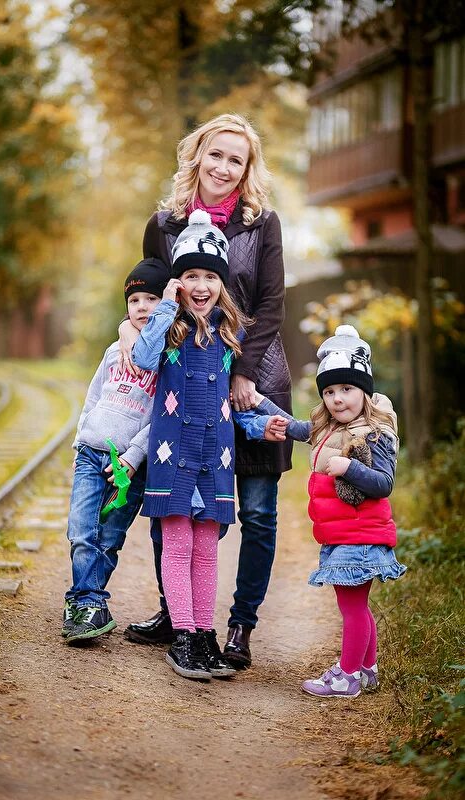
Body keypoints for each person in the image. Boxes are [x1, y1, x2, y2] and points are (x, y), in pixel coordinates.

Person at [122, 113, 292, 668]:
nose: (223, 167)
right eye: (214, 154)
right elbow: (148, 293)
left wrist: (243, 370)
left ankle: (238, 626)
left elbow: (270, 304)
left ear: (248, 169)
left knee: (259, 512)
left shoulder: (261, 223)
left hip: (253, 375)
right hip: (178, 380)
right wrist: (131, 338)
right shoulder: (163, 224)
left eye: (235, 159)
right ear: (196, 155)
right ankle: (180, 617)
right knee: (171, 497)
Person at [131, 210, 277, 681]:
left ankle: (202, 631)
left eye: (209, 276)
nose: (200, 284)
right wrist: (166, 306)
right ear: (177, 281)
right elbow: (142, 357)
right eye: (189, 275)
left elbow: (231, 409)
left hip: (214, 461)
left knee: (208, 550)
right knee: (176, 548)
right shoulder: (168, 330)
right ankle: (184, 638)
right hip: (174, 460)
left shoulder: (225, 335)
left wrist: (263, 429)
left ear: (222, 283)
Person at [238, 324, 407, 697]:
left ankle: (347, 676)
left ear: (364, 391)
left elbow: (384, 483)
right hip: (343, 535)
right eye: (329, 391)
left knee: (352, 609)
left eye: (346, 389)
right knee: (356, 606)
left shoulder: (372, 434)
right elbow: (297, 427)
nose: (337, 398)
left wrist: (350, 468)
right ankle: (366, 669)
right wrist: (262, 404)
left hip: (359, 536)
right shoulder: (328, 429)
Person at [62, 258, 170, 644]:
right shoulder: (113, 351)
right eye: (135, 299)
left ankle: (85, 604)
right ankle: (88, 601)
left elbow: (161, 417)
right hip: (93, 453)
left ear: (168, 304)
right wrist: (79, 441)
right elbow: (93, 399)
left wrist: (133, 456)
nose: (142, 307)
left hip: (130, 466)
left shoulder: (167, 359)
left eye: (152, 299)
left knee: (109, 537)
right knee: (80, 531)